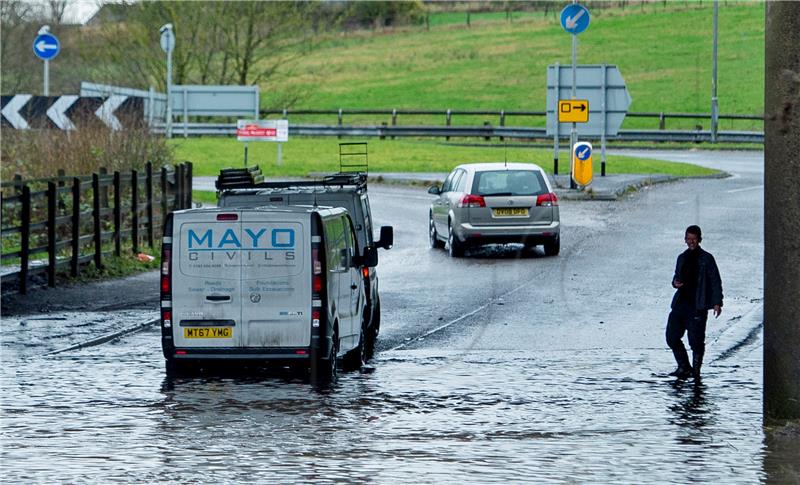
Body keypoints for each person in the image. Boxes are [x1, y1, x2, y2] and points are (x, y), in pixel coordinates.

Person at [666, 225, 723, 380]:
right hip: (680, 304)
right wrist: (675, 283)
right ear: (685, 239)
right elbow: (676, 277)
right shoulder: (682, 257)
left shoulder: (707, 259)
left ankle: (696, 373)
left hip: (698, 306)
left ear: (699, 240)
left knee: (696, 341)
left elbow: (715, 281)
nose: (690, 241)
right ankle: (684, 367)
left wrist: (717, 302)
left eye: (693, 239)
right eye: (688, 238)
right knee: (671, 337)